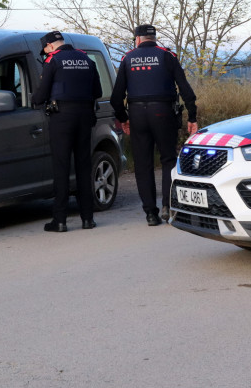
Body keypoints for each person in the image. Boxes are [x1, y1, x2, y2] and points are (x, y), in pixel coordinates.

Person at [110, 24, 198, 226]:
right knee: (168, 159)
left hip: (137, 113)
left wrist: (123, 119)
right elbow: (185, 89)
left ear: (137, 39)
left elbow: (116, 98)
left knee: (143, 163)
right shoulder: (167, 55)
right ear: (154, 38)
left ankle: (150, 213)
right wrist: (192, 117)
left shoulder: (127, 58)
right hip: (163, 111)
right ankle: (168, 205)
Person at [31, 30, 102, 233]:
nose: (45, 53)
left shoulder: (53, 61)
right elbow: (97, 92)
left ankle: (60, 221)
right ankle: (87, 218)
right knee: (83, 166)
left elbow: (42, 93)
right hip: (85, 116)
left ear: (51, 46)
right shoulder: (85, 59)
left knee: (61, 167)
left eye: (45, 50)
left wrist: (35, 99)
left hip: (61, 117)